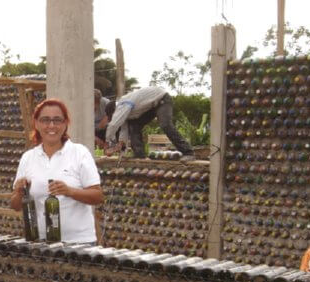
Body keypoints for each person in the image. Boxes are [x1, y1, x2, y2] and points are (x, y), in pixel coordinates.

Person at [11, 98, 104, 243]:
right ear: (36, 123)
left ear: (65, 123)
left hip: (79, 243)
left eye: (57, 120)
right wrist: (18, 192)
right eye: (45, 120)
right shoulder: (28, 158)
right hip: (40, 242)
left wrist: (70, 191)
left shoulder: (79, 153)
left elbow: (98, 196)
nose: (51, 125)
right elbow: (15, 206)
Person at [105, 86, 195, 161]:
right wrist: (122, 153)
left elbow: (113, 125)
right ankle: (139, 156)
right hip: (150, 106)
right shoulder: (124, 111)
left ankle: (188, 152)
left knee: (165, 125)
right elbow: (124, 132)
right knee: (134, 126)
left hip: (161, 99)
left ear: (115, 111)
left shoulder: (123, 104)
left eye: (113, 116)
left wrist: (107, 142)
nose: (115, 117)